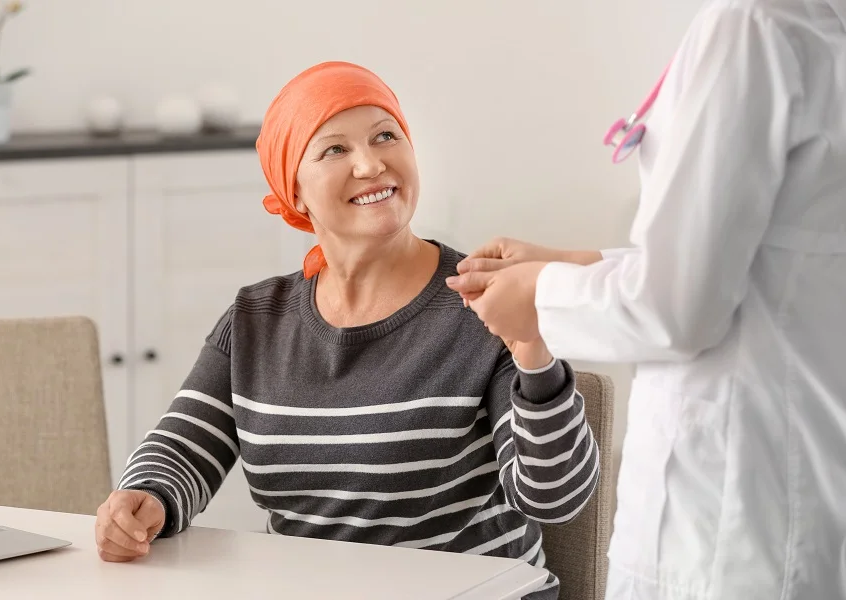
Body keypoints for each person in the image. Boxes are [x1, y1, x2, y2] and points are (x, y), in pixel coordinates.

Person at [92, 61, 600, 600]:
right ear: (295, 192)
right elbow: (181, 448)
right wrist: (143, 498)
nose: (370, 164)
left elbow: (556, 499)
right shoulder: (255, 318)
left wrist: (534, 352)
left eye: (386, 136)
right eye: (335, 149)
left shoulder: (485, 303)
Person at [446, 0, 846, 598]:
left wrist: (541, 298)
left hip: (728, 523)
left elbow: (677, 308)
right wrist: (569, 263)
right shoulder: (802, 24)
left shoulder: (753, 25)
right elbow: (736, 260)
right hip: (779, 491)